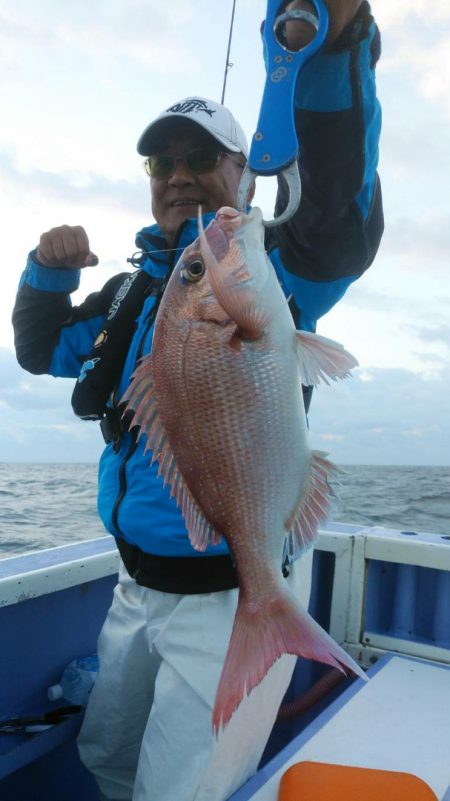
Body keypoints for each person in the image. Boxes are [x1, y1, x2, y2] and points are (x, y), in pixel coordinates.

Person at [12, 2, 383, 799]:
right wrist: (45, 275)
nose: (178, 173)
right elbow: (42, 351)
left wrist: (330, 49)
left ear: (245, 173)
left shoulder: (276, 270)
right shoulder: (128, 292)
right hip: (135, 587)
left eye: (203, 156)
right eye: (162, 162)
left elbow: (336, 212)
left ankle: (269, 615)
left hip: (226, 597)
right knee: (108, 757)